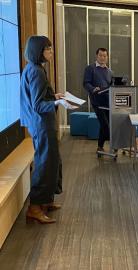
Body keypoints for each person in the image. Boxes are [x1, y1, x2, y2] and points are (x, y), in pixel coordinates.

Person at [20, 36, 70, 224]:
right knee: (44, 163)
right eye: (48, 49)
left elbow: (41, 97)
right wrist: (58, 101)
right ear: (38, 51)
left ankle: (45, 201)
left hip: (42, 124)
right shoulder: (36, 72)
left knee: (51, 161)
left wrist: (54, 96)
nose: (51, 52)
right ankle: (34, 207)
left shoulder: (35, 68)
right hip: (41, 124)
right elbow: (38, 105)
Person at [83, 48, 113, 153]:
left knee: (106, 123)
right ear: (97, 56)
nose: (103, 58)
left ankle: (100, 146)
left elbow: (111, 86)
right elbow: (86, 83)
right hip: (97, 101)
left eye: (105, 56)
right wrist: (92, 89)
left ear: (107, 57)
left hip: (108, 101)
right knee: (105, 124)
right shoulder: (90, 68)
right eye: (101, 55)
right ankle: (114, 143)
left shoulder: (109, 71)